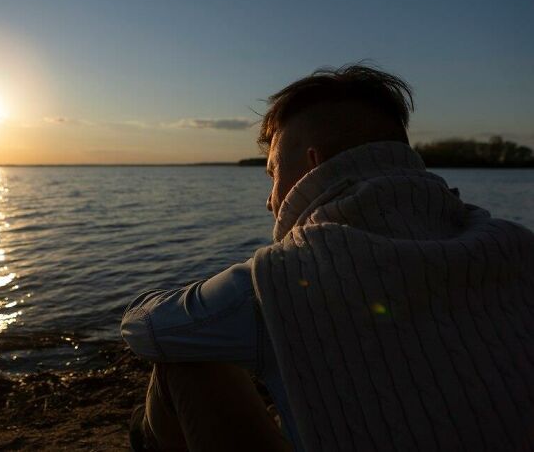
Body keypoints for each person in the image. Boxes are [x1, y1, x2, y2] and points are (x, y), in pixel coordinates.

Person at [121, 64, 534, 452]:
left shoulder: (283, 279)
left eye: (272, 174)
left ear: (311, 166)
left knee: (184, 358)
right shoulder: (514, 243)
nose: (269, 201)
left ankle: (145, 436)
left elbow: (146, 330)